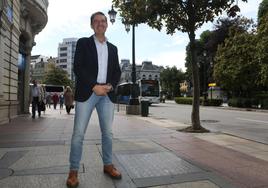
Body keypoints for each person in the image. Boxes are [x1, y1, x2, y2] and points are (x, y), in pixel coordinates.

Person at [66, 11, 122, 188]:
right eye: (97, 21)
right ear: (92, 25)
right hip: (87, 92)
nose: (100, 24)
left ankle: (107, 165)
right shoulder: (84, 43)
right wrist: (93, 86)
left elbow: (117, 72)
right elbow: (78, 68)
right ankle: (73, 171)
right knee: (78, 134)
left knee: (108, 133)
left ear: (107, 24)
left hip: (107, 94)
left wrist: (111, 86)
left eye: (103, 21)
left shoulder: (113, 48)